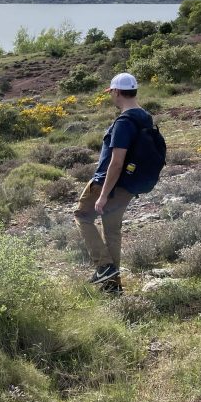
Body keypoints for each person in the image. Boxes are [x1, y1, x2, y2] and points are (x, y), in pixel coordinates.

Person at [73, 72, 154, 294]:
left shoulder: (124, 122)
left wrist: (102, 194)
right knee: (112, 231)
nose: (111, 97)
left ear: (117, 92)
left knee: (82, 215)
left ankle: (104, 266)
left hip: (108, 183)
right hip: (128, 186)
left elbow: (116, 163)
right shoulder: (145, 117)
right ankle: (112, 286)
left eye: (111, 93)